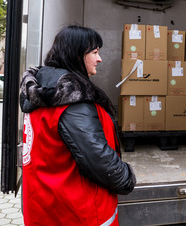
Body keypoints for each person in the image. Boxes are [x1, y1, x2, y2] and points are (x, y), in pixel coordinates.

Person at [20, 25, 136, 225]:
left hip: (45, 205)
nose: (99, 59)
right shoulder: (74, 102)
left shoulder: (42, 89)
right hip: (79, 212)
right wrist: (126, 178)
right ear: (76, 54)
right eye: (95, 52)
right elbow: (98, 159)